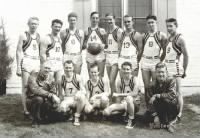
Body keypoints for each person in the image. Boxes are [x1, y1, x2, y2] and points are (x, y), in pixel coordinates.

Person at [161, 18, 189, 121]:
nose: (168, 28)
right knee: (168, 91)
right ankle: (171, 112)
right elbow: (165, 54)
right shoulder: (169, 38)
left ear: (176, 26)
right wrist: (160, 62)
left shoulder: (180, 38)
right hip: (167, 66)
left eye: (171, 26)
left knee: (178, 92)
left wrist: (184, 71)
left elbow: (186, 56)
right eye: (167, 26)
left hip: (176, 67)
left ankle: (179, 114)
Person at [140, 15, 167, 112]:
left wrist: (160, 61)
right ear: (146, 24)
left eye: (152, 22)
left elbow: (164, 51)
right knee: (147, 87)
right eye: (149, 22)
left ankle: (158, 108)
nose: (151, 24)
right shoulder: (144, 35)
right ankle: (149, 109)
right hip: (145, 62)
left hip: (156, 62)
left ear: (156, 23)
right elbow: (141, 50)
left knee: (156, 86)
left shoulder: (161, 35)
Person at [103, 62, 140, 129]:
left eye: (128, 69)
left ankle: (132, 119)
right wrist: (117, 107)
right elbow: (119, 98)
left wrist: (119, 94)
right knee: (106, 112)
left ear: (131, 70)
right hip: (124, 104)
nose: (126, 71)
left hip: (135, 104)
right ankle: (124, 114)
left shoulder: (135, 79)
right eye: (124, 69)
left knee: (129, 98)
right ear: (121, 70)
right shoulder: (119, 81)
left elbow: (135, 93)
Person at [16, 17, 41, 117]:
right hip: (26, 61)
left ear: (38, 25)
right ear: (28, 24)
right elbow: (18, 51)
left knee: (35, 87)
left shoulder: (38, 36)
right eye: (32, 23)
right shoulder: (23, 35)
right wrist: (18, 66)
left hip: (36, 62)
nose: (34, 25)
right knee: (25, 87)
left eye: (36, 24)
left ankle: (34, 108)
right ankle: (25, 110)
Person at [26, 61, 61, 128]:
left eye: (48, 68)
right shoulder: (33, 75)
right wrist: (50, 95)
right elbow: (35, 90)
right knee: (39, 99)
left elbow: (53, 90)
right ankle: (35, 120)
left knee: (54, 107)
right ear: (41, 67)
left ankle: (43, 117)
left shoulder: (50, 77)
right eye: (45, 68)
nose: (47, 70)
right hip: (32, 99)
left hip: (45, 99)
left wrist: (54, 97)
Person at [147, 63, 179, 133]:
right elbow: (150, 101)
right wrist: (155, 115)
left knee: (166, 99)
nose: (161, 74)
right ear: (155, 73)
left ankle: (170, 122)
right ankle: (162, 121)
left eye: (163, 72)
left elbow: (172, 94)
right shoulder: (151, 84)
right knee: (147, 118)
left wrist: (158, 95)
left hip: (171, 107)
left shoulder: (171, 80)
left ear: (166, 72)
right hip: (161, 109)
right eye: (159, 72)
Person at [58, 60, 86, 126]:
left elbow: (84, 91)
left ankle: (77, 116)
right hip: (67, 98)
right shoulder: (61, 79)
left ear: (73, 68)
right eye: (66, 67)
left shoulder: (78, 77)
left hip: (76, 99)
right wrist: (60, 103)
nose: (68, 69)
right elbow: (60, 94)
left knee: (82, 97)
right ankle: (70, 113)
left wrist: (78, 93)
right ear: (64, 68)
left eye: (70, 68)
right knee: (62, 109)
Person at [40, 19, 63, 88]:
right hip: (50, 65)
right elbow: (42, 54)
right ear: (51, 26)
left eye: (59, 27)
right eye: (56, 26)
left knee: (58, 84)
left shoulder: (59, 39)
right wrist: (45, 66)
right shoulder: (46, 38)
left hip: (58, 65)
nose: (57, 28)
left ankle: (58, 98)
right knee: (48, 84)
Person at [105, 13, 123, 97]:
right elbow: (107, 45)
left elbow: (120, 46)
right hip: (108, 56)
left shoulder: (119, 31)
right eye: (107, 20)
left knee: (112, 80)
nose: (109, 21)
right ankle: (113, 95)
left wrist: (119, 58)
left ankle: (115, 96)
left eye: (110, 19)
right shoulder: (107, 31)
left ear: (114, 20)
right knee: (110, 80)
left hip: (115, 56)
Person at [83, 11, 107, 77]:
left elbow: (106, 44)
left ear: (98, 19)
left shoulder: (102, 30)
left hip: (100, 55)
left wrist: (102, 46)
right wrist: (87, 46)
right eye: (93, 18)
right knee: (91, 76)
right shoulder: (86, 30)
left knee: (100, 76)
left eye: (96, 18)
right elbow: (83, 44)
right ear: (90, 18)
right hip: (90, 55)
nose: (95, 20)